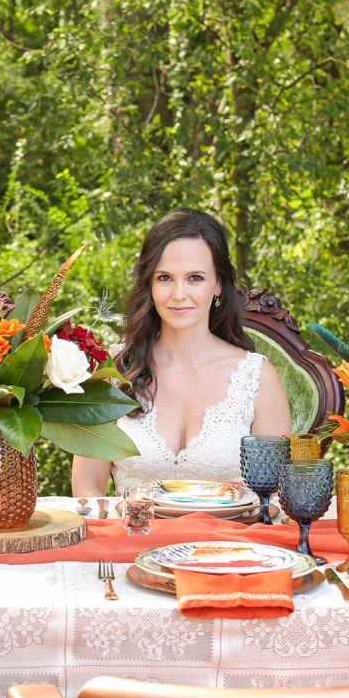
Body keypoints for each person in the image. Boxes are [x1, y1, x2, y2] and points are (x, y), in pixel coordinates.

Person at [72, 209, 292, 501]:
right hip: (131, 539)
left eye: (195, 278)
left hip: (230, 544)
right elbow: (87, 485)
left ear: (218, 285)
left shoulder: (257, 378)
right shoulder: (114, 369)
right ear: (149, 284)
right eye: (165, 278)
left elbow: (276, 499)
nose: (178, 294)